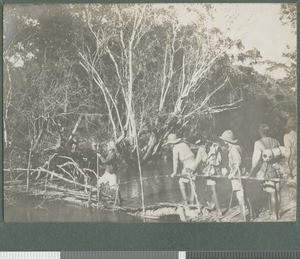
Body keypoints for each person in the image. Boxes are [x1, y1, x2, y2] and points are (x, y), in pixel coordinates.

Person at [250, 124, 281, 220]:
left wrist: (251, 171)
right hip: (276, 169)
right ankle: (277, 212)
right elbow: (280, 154)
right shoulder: (275, 141)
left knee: (271, 192)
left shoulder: (258, 143)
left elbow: (255, 160)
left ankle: (274, 215)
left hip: (267, 170)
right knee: (277, 192)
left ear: (260, 132)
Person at [219, 130, 247, 221]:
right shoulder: (234, 147)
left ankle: (243, 216)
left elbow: (238, 163)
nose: (223, 142)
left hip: (238, 175)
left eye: (224, 140)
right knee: (240, 195)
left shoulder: (234, 149)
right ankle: (243, 213)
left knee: (240, 195)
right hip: (238, 173)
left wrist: (232, 174)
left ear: (226, 141)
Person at [166, 134, 198, 205]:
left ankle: (186, 201)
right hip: (194, 163)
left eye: (170, 144)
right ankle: (192, 200)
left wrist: (174, 172)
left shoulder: (175, 148)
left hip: (189, 165)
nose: (170, 146)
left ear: (172, 143)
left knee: (181, 181)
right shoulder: (184, 144)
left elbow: (175, 161)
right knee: (192, 181)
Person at [96, 140, 122, 205]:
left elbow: (105, 161)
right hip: (107, 172)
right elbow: (104, 156)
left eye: (108, 146)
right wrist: (99, 151)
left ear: (111, 147)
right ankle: (99, 197)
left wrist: (99, 156)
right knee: (99, 183)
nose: (107, 147)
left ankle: (119, 202)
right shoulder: (109, 153)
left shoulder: (113, 154)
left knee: (114, 187)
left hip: (111, 173)